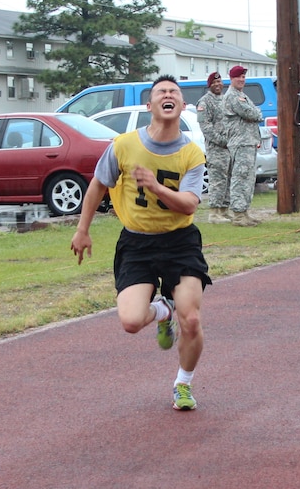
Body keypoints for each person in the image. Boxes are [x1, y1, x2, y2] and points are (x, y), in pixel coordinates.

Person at [71, 75, 210, 411]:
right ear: (149, 105)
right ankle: (162, 310)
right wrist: (82, 230)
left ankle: (183, 384)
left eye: (174, 92)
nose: (168, 95)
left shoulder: (192, 154)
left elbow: (190, 203)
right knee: (131, 322)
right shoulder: (123, 145)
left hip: (180, 242)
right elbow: (97, 186)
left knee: (190, 319)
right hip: (137, 243)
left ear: (182, 105)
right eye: (161, 92)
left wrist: (156, 187)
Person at [222, 65, 263, 227]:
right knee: (240, 176)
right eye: (239, 77)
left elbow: (253, 113)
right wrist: (256, 112)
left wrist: (255, 112)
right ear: (232, 79)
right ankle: (238, 214)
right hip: (240, 142)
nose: (242, 80)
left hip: (248, 141)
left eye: (244, 77)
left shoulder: (242, 95)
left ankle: (244, 211)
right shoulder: (232, 96)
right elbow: (252, 113)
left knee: (248, 177)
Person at [196, 71, 230, 223]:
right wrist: (222, 140)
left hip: (229, 148)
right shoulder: (205, 102)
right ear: (210, 85)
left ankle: (224, 211)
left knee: (228, 179)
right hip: (216, 149)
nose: (218, 85)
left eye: (220, 82)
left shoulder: (225, 99)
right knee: (217, 180)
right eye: (214, 83)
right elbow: (206, 127)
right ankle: (214, 213)